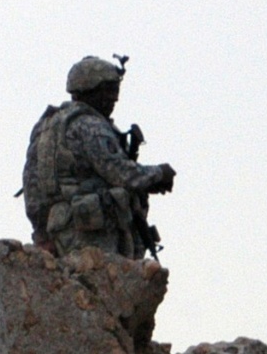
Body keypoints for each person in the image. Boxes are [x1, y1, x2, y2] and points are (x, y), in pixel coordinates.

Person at [22, 56, 175, 258]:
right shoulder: (90, 126)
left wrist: (41, 233)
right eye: (109, 91)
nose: (114, 99)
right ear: (92, 89)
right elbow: (120, 173)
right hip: (93, 235)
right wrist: (159, 174)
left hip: (59, 232)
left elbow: (32, 186)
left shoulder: (47, 126)